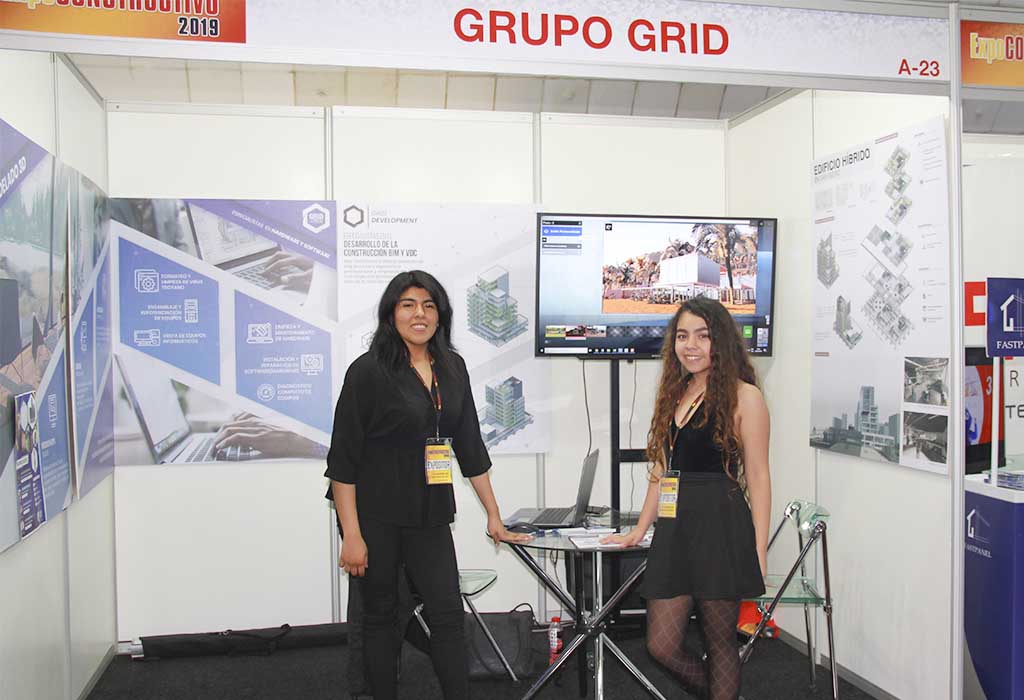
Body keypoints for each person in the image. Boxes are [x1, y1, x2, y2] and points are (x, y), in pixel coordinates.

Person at [325, 270, 530, 700]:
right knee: (381, 618)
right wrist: (352, 535)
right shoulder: (367, 371)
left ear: (440, 315)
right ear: (391, 314)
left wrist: (494, 515)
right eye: (408, 305)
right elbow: (343, 461)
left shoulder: (452, 368)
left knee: (448, 614)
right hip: (376, 516)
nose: (419, 314)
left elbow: (470, 446)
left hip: (431, 513)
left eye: (429, 305)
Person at [602, 297, 771, 700]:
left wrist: (758, 550)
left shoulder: (744, 396)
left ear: (721, 341)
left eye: (702, 336)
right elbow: (663, 471)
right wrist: (639, 530)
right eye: (682, 336)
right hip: (675, 528)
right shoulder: (677, 392)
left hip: (720, 525)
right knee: (660, 645)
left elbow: (759, 477)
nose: (690, 345)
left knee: (720, 642)